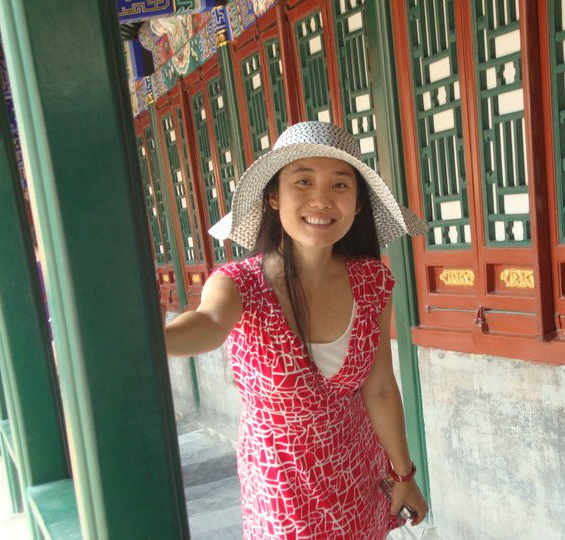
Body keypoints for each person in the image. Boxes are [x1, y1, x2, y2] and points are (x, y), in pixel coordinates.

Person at [163, 121, 429, 539]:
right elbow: (208, 325)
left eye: (340, 185)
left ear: (358, 204)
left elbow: (378, 387)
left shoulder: (371, 281)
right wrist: (147, 338)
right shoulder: (239, 284)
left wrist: (404, 474)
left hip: (356, 471)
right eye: (303, 181)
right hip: (281, 487)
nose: (321, 200)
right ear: (273, 196)